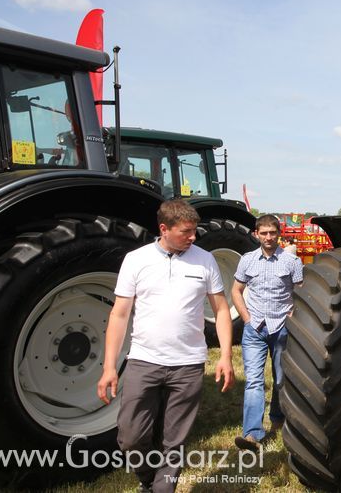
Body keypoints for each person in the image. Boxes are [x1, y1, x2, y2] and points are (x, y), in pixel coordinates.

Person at [96, 200, 235, 492]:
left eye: (194, 231)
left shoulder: (205, 260)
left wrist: (224, 356)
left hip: (188, 365)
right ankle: (149, 478)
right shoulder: (136, 260)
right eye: (186, 232)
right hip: (144, 361)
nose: (193, 237)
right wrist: (109, 367)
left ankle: (161, 488)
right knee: (131, 437)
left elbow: (222, 310)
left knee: (175, 442)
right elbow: (119, 315)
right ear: (164, 229)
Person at [231, 214, 303, 451]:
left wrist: (292, 316)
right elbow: (236, 290)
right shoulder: (247, 260)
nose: (268, 237)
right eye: (264, 233)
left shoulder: (291, 262)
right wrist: (246, 319)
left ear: (278, 234)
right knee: (253, 381)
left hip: (281, 328)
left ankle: (278, 419)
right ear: (256, 234)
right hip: (254, 330)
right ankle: (252, 434)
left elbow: (300, 293)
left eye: (272, 233)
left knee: (281, 379)